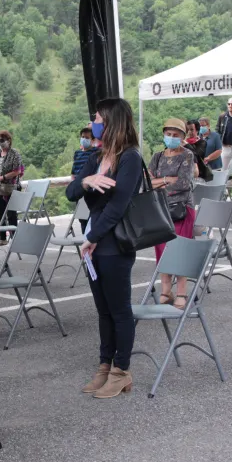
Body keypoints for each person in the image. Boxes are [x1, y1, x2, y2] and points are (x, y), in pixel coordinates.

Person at [66, 98, 143, 399]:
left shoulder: (130, 158)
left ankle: (121, 371)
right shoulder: (98, 155)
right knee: (103, 311)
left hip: (113, 243)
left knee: (119, 309)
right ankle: (103, 367)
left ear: (111, 121)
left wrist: (93, 236)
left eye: (98, 117)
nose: (94, 122)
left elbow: (117, 206)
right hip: (94, 242)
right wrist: (88, 179)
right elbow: (72, 191)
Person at [148, 118, 197, 308]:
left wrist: (160, 181)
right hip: (161, 208)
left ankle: (182, 292)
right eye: (168, 134)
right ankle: (166, 291)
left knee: (180, 248)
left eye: (175, 135)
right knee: (161, 248)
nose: (171, 138)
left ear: (183, 137)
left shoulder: (187, 155)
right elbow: (147, 182)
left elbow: (184, 183)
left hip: (182, 208)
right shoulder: (157, 156)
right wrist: (168, 179)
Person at [0, 130, 24, 246]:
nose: (0, 143)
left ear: (8, 140)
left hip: (11, 187)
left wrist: (2, 177)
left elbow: (17, 171)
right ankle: (2, 238)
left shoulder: (14, 154)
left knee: (11, 214)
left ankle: (15, 239)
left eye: (2, 140)